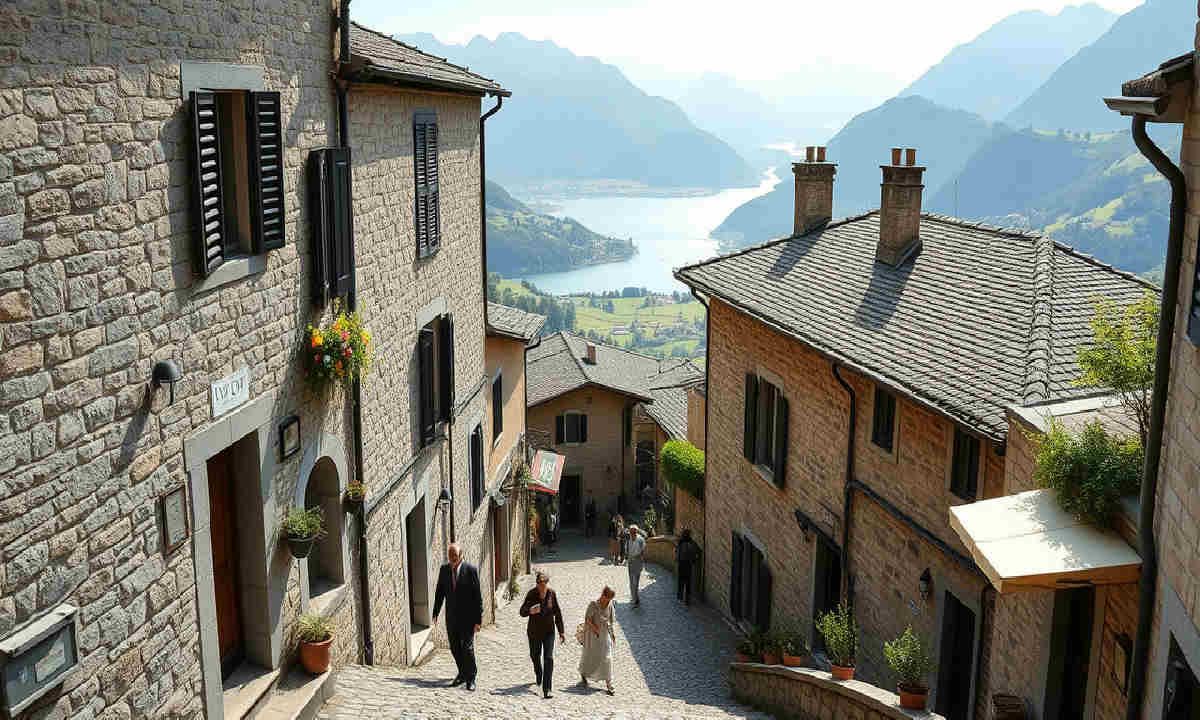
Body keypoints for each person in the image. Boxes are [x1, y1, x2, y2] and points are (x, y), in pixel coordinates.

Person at [432, 543, 483, 691]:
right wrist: (435, 612)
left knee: (467, 648)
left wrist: (478, 621)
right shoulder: (444, 570)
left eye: (455, 556)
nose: (452, 559)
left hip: (468, 618)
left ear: (461, 555)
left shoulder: (471, 571)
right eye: (450, 556)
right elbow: (440, 592)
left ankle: (471, 678)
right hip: (452, 617)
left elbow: (477, 597)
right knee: (455, 648)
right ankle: (462, 673)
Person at [519, 570, 565, 699]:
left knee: (548, 658)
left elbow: (557, 613)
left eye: (544, 584)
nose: (541, 586)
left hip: (549, 631)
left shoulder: (551, 594)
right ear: (537, 584)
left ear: (547, 583)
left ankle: (547, 688)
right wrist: (530, 611)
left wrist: (561, 631)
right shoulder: (532, 594)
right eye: (539, 583)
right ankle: (538, 672)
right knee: (535, 655)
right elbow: (522, 611)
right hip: (534, 632)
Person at [579, 586, 617, 695]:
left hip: (605, 637)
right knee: (590, 656)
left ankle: (609, 683)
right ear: (603, 595)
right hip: (593, 636)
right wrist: (595, 629)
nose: (608, 601)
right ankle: (584, 673)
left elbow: (611, 621)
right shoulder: (593, 605)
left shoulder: (610, 605)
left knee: (607, 658)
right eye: (607, 598)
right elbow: (587, 619)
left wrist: (612, 634)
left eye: (610, 599)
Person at [675, 529, 700, 605]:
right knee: (688, 582)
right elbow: (697, 551)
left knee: (681, 581)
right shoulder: (692, 543)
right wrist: (694, 560)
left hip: (681, 564)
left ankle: (680, 596)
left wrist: (677, 559)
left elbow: (677, 552)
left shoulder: (680, 542)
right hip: (688, 564)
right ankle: (687, 599)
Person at [626, 525, 646, 607]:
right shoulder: (629, 539)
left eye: (633, 532)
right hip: (631, 562)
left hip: (637, 562)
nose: (632, 533)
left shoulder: (640, 540)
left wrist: (639, 559)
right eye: (631, 532)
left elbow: (643, 552)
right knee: (631, 581)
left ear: (636, 532)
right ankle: (634, 598)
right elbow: (627, 550)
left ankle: (636, 599)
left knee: (636, 582)